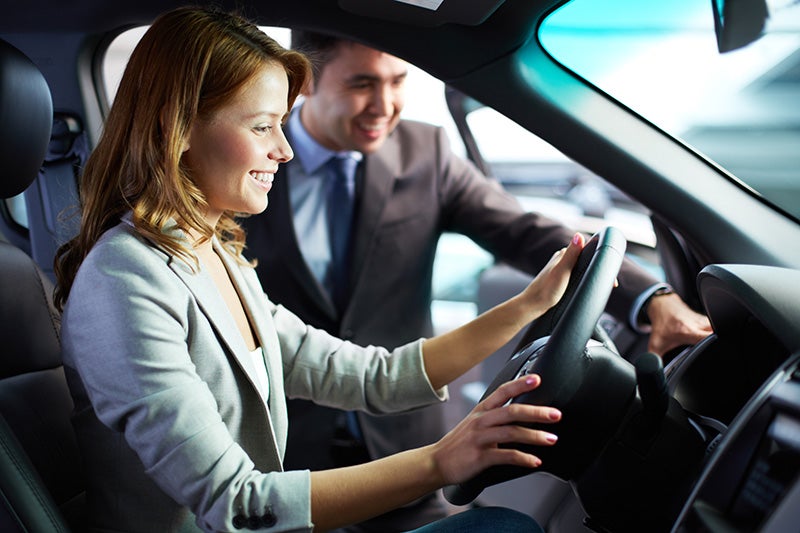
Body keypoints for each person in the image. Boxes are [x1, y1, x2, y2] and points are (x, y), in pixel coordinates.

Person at [53, 7, 588, 533]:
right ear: (180, 128)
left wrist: (532, 304)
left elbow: (378, 378)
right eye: (262, 126)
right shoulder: (123, 281)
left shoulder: (216, 254)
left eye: (280, 125)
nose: (284, 150)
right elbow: (237, 503)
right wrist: (440, 461)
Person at [239, 30, 715, 531]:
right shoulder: (249, 165)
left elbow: (527, 231)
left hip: (402, 443)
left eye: (398, 82)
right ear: (305, 83)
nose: (385, 105)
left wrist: (652, 296)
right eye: (362, 84)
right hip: (284, 451)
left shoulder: (427, 151)